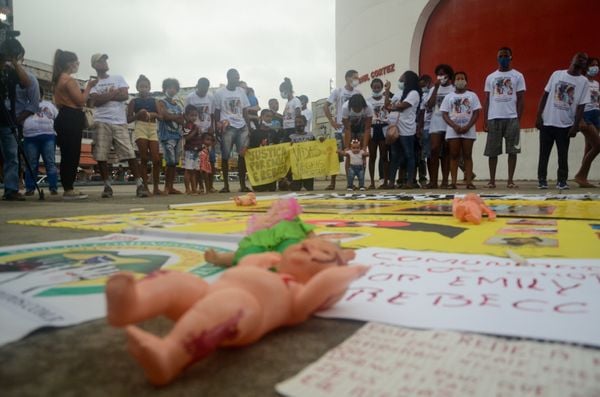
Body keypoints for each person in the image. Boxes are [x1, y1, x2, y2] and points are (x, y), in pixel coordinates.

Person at [105, 236, 365, 386]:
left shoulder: (298, 297)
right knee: (173, 280)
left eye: (323, 253)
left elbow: (321, 286)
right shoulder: (269, 269)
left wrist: (346, 273)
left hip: (243, 315)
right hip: (207, 294)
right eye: (309, 242)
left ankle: (170, 356)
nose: (310, 246)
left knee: (227, 301)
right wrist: (256, 261)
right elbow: (244, 265)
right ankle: (131, 305)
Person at [89, 53, 148, 199]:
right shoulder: (92, 83)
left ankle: (139, 184)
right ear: (95, 65)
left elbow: (124, 96)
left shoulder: (118, 78)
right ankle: (107, 186)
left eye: (105, 60)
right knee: (101, 156)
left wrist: (106, 96)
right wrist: (114, 93)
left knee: (130, 153)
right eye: (101, 60)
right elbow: (94, 102)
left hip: (119, 121)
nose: (104, 62)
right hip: (101, 121)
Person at [536, 52, 591, 190]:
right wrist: (538, 116)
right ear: (572, 58)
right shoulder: (557, 74)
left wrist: (576, 125)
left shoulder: (584, 82)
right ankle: (542, 180)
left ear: (585, 64)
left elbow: (581, 106)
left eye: (585, 59)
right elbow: (545, 95)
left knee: (563, 154)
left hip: (566, 125)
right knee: (544, 153)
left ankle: (562, 181)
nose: (582, 60)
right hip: (548, 122)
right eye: (579, 57)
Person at [52, 49, 95, 200]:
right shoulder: (69, 80)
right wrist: (89, 87)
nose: (78, 64)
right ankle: (69, 189)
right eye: (76, 62)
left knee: (67, 154)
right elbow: (81, 100)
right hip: (71, 117)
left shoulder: (58, 79)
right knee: (72, 154)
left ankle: (68, 186)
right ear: (69, 64)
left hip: (64, 116)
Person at [483, 47, 526, 189]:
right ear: (497, 58)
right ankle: (492, 180)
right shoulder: (491, 77)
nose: (503, 58)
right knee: (492, 152)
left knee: (512, 151)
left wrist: (518, 118)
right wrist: (485, 120)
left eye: (506, 55)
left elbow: (521, 99)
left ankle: (510, 180)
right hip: (494, 118)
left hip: (512, 118)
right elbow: (487, 99)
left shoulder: (518, 76)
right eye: (500, 56)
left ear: (511, 57)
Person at [0, 38, 30, 201]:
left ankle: (11, 189)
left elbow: (26, 82)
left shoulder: (10, 71)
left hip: (8, 119)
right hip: (5, 118)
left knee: (11, 155)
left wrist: (15, 64)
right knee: (10, 155)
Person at [441, 71, 482, 189]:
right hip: (453, 130)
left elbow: (476, 112)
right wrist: (454, 126)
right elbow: (444, 114)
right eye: (457, 79)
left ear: (466, 81)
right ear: (454, 81)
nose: (460, 81)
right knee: (453, 155)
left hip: (468, 130)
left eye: (462, 78)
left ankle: (469, 182)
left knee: (468, 155)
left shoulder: (472, 95)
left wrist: (468, 126)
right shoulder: (449, 97)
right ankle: (453, 182)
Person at [214, 68, 251, 193]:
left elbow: (245, 110)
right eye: (236, 77)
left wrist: (248, 126)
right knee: (225, 156)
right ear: (228, 77)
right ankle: (226, 185)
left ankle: (243, 185)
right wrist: (217, 128)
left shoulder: (241, 91)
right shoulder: (219, 93)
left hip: (241, 127)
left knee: (242, 156)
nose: (238, 79)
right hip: (227, 127)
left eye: (238, 77)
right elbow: (217, 112)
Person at [323, 69, 362, 190]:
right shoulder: (338, 91)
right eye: (354, 77)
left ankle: (349, 182)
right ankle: (332, 183)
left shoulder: (358, 92)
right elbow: (326, 106)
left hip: (353, 129)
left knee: (350, 156)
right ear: (347, 78)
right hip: (340, 129)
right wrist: (332, 121)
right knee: (336, 156)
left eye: (357, 78)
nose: (357, 80)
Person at [127, 75, 162, 195]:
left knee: (156, 159)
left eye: (146, 86)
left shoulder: (154, 101)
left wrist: (153, 114)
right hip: (140, 126)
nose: (144, 89)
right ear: (137, 88)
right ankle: (145, 187)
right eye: (141, 87)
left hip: (152, 127)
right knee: (144, 158)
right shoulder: (134, 101)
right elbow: (128, 119)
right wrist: (139, 114)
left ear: (149, 87)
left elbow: (161, 116)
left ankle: (156, 187)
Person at [386, 71, 422, 189]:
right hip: (395, 127)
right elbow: (388, 106)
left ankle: (409, 182)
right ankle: (391, 182)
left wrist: (394, 107)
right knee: (394, 155)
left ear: (408, 80)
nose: (400, 81)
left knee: (409, 155)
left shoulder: (414, 93)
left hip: (407, 128)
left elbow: (402, 106)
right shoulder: (399, 93)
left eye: (403, 79)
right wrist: (387, 91)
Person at [22, 87, 59, 196]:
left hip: (48, 137)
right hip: (29, 137)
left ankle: (53, 187)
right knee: (31, 164)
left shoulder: (49, 105)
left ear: (41, 95)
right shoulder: (24, 105)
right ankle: (30, 188)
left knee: (50, 162)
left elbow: (57, 118)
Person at [425, 64, 455, 189]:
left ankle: (444, 181)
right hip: (436, 121)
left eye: (443, 74)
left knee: (447, 152)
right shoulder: (433, 89)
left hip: (449, 122)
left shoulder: (453, 89)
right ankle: (433, 181)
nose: (441, 76)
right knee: (434, 149)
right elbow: (429, 105)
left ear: (449, 75)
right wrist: (436, 88)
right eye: (439, 74)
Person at [185, 77, 216, 192]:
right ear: (197, 86)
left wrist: (212, 127)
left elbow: (212, 114)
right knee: (198, 162)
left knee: (210, 160)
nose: (204, 91)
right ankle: (199, 186)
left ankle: (210, 186)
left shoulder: (211, 97)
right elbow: (186, 114)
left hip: (207, 132)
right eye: (202, 88)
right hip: (196, 134)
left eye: (206, 89)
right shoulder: (190, 97)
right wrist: (190, 129)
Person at [573, 57, 600, 187]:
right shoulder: (581, 81)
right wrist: (580, 119)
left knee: (589, 147)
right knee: (598, 145)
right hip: (586, 115)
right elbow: (576, 100)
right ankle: (580, 175)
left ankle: (583, 178)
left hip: (596, 114)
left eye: (597, 65)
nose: (595, 67)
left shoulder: (596, 83)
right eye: (592, 65)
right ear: (586, 67)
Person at [157, 78, 184, 195]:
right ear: (164, 89)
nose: (172, 90)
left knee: (175, 162)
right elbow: (164, 116)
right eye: (169, 87)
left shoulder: (178, 105)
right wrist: (175, 117)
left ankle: (171, 186)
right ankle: (166, 187)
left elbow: (182, 120)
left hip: (177, 136)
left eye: (174, 88)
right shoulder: (161, 102)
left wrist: (174, 117)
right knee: (169, 161)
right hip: (167, 136)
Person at [366, 78, 389, 189]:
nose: (376, 89)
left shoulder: (386, 99)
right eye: (374, 87)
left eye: (378, 87)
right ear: (371, 87)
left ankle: (385, 181)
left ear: (381, 87)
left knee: (384, 156)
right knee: (372, 156)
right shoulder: (367, 100)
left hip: (384, 127)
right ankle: (372, 182)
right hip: (372, 128)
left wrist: (388, 90)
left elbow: (389, 109)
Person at [248, 109, 277, 192]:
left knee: (272, 189)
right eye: (267, 116)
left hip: (270, 168)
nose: (269, 118)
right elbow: (251, 148)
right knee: (258, 189)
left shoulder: (273, 132)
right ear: (261, 117)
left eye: (271, 117)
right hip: (259, 167)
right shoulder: (255, 133)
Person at [288, 115, 316, 191]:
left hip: (308, 167)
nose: (298, 124)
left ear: (305, 123)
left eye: (300, 122)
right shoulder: (290, 137)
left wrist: (321, 141)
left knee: (309, 188)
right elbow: (286, 151)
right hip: (296, 168)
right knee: (295, 189)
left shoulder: (311, 136)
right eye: (296, 122)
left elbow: (317, 148)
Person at [417, 74, 433, 186]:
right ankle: (423, 178)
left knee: (435, 154)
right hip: (424, 127)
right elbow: (421, 112)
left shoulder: (433, 92)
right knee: (423, 155)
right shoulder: (419, 95)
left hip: (434, 127)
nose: (423, 87)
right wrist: (420, 127)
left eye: (424, 84)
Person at [182, 105, 202, 195]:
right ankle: (187, 189)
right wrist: (195, 131)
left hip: (196, 150)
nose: (194, 117)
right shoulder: (187, 126)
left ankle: (194, 188)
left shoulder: (194, 125)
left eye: (195, 115)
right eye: (191, 115)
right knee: (188, 170)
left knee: (194, 170)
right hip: (189, 150)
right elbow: (186, 137)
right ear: (186, 116)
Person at [279, 77, 302, 142]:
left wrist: (297, 129)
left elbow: (298, 115)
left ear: (287, 90)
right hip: (286, 128)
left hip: (293, 129)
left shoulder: (296, 101)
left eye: (282, 91)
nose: (281, 93)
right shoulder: (287, 103)